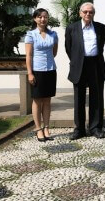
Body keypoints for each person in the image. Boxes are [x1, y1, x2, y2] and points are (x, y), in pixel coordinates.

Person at [65, 2, 105, 140]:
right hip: (79, 65)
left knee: (97, 98)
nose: (88, 14)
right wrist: (77, 60)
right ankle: (79, 129)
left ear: (94, 14)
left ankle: (95, 127)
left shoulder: (101, 27)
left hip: (95, 64)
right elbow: (68, 48)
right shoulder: (72, 28)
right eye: (85, 12)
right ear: (80, 13)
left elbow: (101, 46)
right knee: (79, 98)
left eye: (91, 12)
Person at [25, 8, 58, 142]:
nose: (42, 19)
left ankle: (46, 128)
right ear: (35, 19)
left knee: (47, 100)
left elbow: (54, 52)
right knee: (37, 100)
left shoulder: (53, 34)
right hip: (36, 71)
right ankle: (38, 129)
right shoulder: (30, 34)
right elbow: (28, 55)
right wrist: (30, 73)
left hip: (50, 70)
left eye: (45, 17)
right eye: (39, 17)